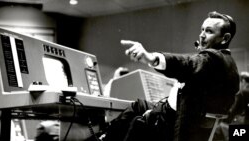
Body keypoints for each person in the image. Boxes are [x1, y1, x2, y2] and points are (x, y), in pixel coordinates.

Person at [101, 11, 240, 141]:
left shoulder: (212, 59)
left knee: (136, 116)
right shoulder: (229, 65)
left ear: (225, 38)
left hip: (171, 122)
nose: (202, 35)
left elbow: (187, 64)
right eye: (202, 29)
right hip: (189, 120)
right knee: (138, 105)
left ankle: (105, 138)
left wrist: (151, 58)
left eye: (209, 31)